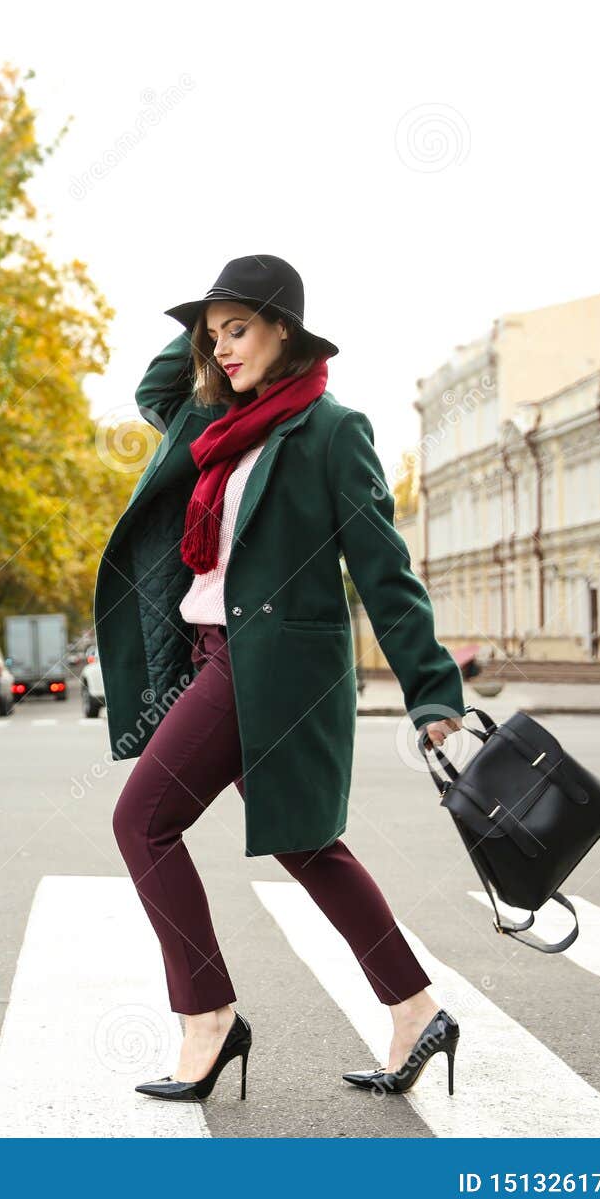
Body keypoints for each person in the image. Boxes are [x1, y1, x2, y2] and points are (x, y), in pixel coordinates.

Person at [93, 255, 465, 1103]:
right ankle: (418, 1011)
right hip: (208, 656)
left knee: (143, 821)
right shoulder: (210, 422)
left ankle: (210, 1020)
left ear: (284, 331)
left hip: (278, 670)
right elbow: (160, 386)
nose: (220, 350)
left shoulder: (332, 431)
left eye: (240, 329)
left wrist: (432, 688)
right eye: (211, 335)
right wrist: (210, 311)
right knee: (308, 846)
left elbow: (386, 572)